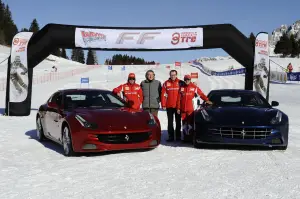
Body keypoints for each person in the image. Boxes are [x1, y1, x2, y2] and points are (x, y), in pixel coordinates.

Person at [176, 74, 212, 141]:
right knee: (184, 124)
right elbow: (178, 99)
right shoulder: (181, 88)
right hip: (183, 109)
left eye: (188, 79)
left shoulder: (194, 87)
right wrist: (178, 108)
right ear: (184, 80)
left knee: (190, 124)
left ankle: (190, 137)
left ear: (190, 80)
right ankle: (185, 137)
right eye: (185, 79)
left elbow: (201, 94)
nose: (187, 81)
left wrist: (206, 100)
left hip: (190, 109)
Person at [161, 70, 185, 141]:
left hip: (178, 106)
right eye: (171, 75)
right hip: (169, 106)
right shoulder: (166, 83)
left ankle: (178, 136)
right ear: (170, 75)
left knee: (178, 121)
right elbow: (163, 94)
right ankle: (171, 136)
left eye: (174, 75)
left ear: (176, 75)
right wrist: (163, 104)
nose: (173, 76)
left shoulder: (180, 82)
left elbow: (185, 91)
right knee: (170, 122)